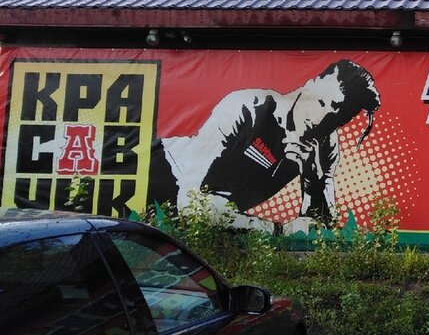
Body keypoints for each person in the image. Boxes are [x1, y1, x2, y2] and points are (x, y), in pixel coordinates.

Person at [148, 59, 380, 230]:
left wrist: (313, 181)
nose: (320, 120)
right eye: (320, 102)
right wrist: (277, 230)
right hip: (163, 176)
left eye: (336, 119)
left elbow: (321, 228)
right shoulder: (246, 108)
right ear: (310, 85)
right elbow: (190, 203)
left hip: (219, 214)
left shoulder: (325, 144)